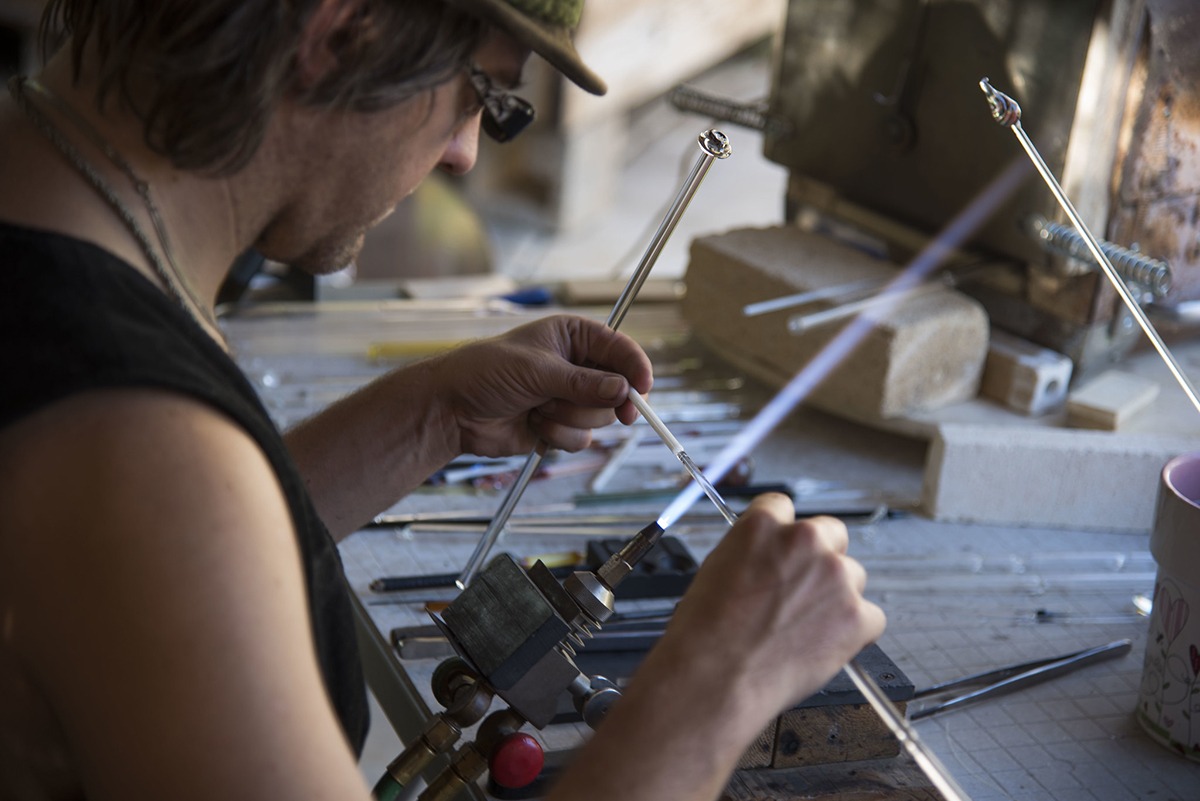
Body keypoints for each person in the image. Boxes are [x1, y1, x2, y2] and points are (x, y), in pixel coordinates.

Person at [0, 1, 886, 799]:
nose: (463, 152)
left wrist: (435, 415)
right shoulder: (132, 442)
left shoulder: (48, 208)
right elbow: (165, 511)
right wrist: (718, 682)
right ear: (343, 28)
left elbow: (154, 573)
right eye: (480, 93)